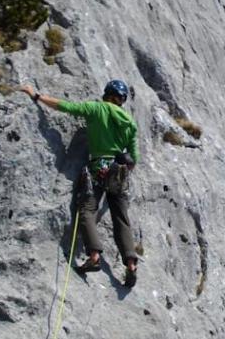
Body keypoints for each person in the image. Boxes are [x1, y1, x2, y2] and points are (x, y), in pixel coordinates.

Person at [18, 80, 140, 288]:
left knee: (87, 209)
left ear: (107, 94)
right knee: (121, 217)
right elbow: (134, 158)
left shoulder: (96, 108)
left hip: (98, 167)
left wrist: (36, 96)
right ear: (121, 100)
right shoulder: (130, 122)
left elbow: (66, 106)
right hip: (120, 173)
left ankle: (94, 256)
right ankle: (130, 264)